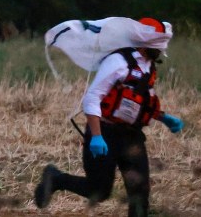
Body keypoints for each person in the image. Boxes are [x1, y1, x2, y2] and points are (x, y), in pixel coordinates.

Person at [35, 17, 185, 217]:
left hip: (132, 137)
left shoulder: (149, 67)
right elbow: (92, 98)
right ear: (145, 44)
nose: (161, 51)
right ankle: (55, 179)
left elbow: (139, 102)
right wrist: (97, 136)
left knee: (140, 194)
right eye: (159, 46)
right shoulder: (118, 62)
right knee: (99, 191)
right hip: (105, 132)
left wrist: (164, 118)